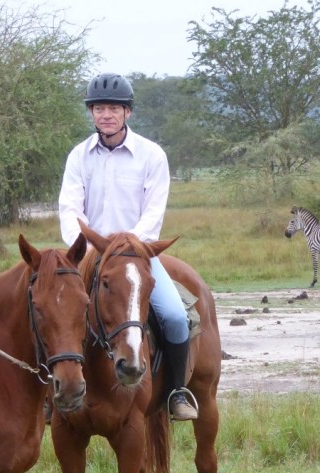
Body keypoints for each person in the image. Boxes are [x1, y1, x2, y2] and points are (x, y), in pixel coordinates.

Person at [58, 72, 198, 421]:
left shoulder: (151, 155)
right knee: (53, 312)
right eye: (99, 108)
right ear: (91, 113)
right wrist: (82, 248)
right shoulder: (79, 157)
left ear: (128, 113)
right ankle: (51, 394)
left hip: (137, 257)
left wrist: (127, 250)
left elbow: (153, 213)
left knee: (175, 316)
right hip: (91, 255)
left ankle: (176, 392)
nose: (106, 114)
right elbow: (70, 208)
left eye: (114, 109)